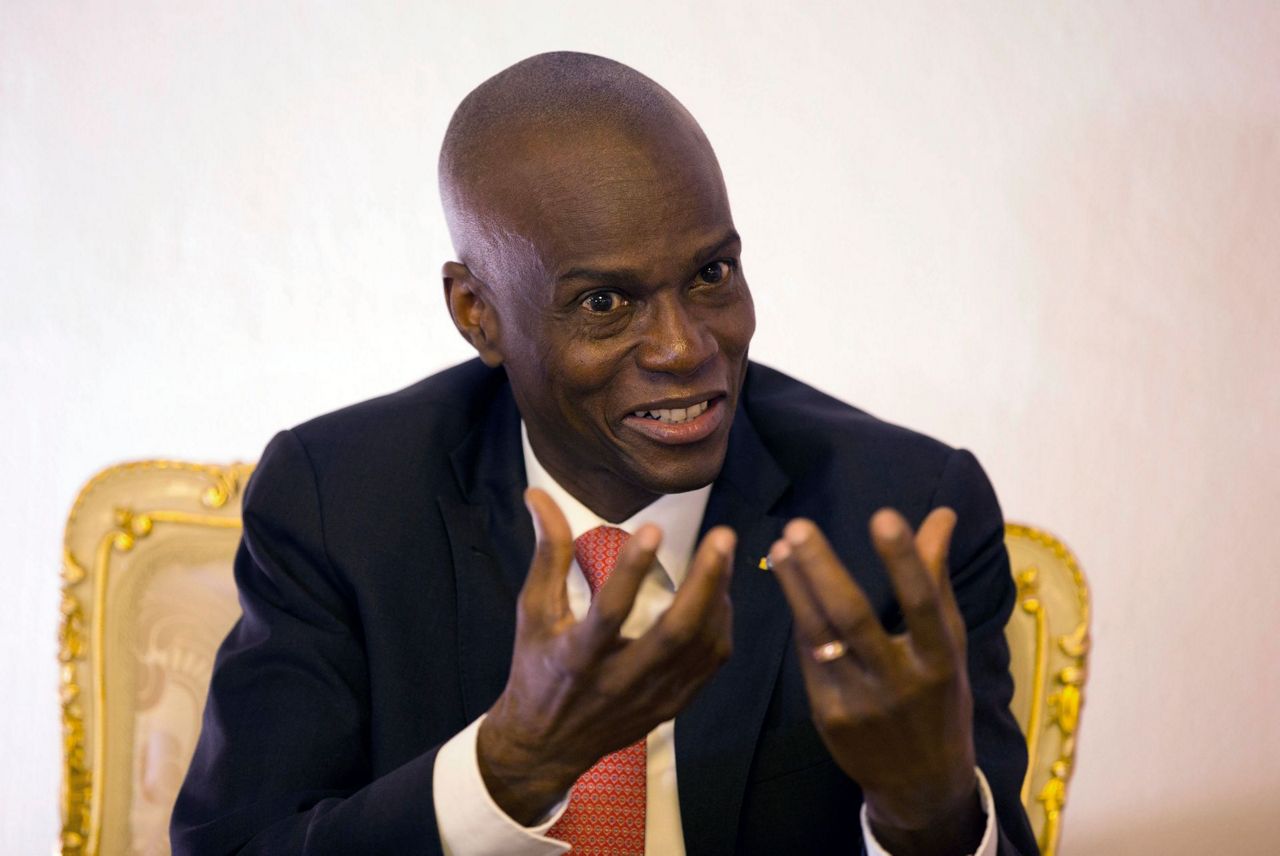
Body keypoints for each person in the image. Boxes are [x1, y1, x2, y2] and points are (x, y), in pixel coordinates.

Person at [172, 52, 1038, 855]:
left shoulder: (904, 512)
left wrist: (926, 813)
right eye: (605, 303)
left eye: (711, 275)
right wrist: (511, 766)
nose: (684, 348)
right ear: (477, 313)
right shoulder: (341, 503)